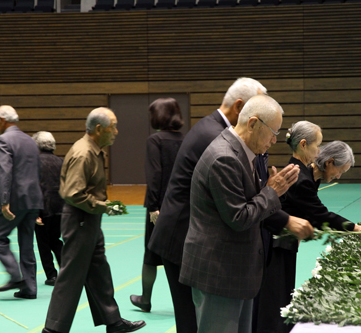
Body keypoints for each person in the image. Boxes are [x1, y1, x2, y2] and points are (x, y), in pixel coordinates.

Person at [179, 95, 314, 333]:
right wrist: (272, 191)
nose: (275, 140)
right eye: (273, 132)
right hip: (219, 275)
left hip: (235, 272)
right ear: (252, 123)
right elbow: (239, 217)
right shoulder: (225, 158)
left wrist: (270, 190)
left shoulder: (242, 151)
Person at [148, 77, 268, 333]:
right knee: (193, 323)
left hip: (188, 233)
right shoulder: (217, 139)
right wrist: (284, 215)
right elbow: (241, 203)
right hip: (181, 238)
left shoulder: (214, 129)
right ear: (239, 107)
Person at [256, 124, 361, 333]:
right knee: (274, 297)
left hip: (285, 242)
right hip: (276, 244)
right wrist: (355, 228)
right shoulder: (300, 177)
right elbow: (319, 215)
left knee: (280, 294)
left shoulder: (308, 174)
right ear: (329, 162)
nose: (338, 177)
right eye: (340, 171)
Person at [42, 107, 146, 333]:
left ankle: (113, 321)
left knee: (99, 271)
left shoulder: (94, 149)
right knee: (70, 277)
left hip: (89, 220)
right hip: (80, 220)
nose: (117, 132)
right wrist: (106, 207)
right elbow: (72, 193)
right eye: (113, 127)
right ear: (99, 129)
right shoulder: (84, 153)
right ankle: (53, 329)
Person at [130, 98, 185, 312]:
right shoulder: (186, 139)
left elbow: (155, 175)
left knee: (151, 254)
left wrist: (153, 206)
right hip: (182, 207)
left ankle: (145, 298)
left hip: (160, 206)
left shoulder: (155, 140)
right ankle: (185, 302)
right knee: (181, 254)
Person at [0, 105, 43, 299]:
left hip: (15, 199)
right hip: (33, 199)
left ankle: (15, 275)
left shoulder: (3, 140)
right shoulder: (30, 140)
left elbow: (5, 172)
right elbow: (37, 171)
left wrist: (4, 201)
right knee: (27, 244)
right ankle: (30, 288)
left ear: (2, 119)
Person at [32, 131, 64, 287]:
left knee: (43, 243)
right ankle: (66, 270)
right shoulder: (61, 162)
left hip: (43, 209)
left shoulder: (34, 163)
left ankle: (51, 275)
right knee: (56, 241)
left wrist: (35, 212)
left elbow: (35, 188)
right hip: (61, 208)